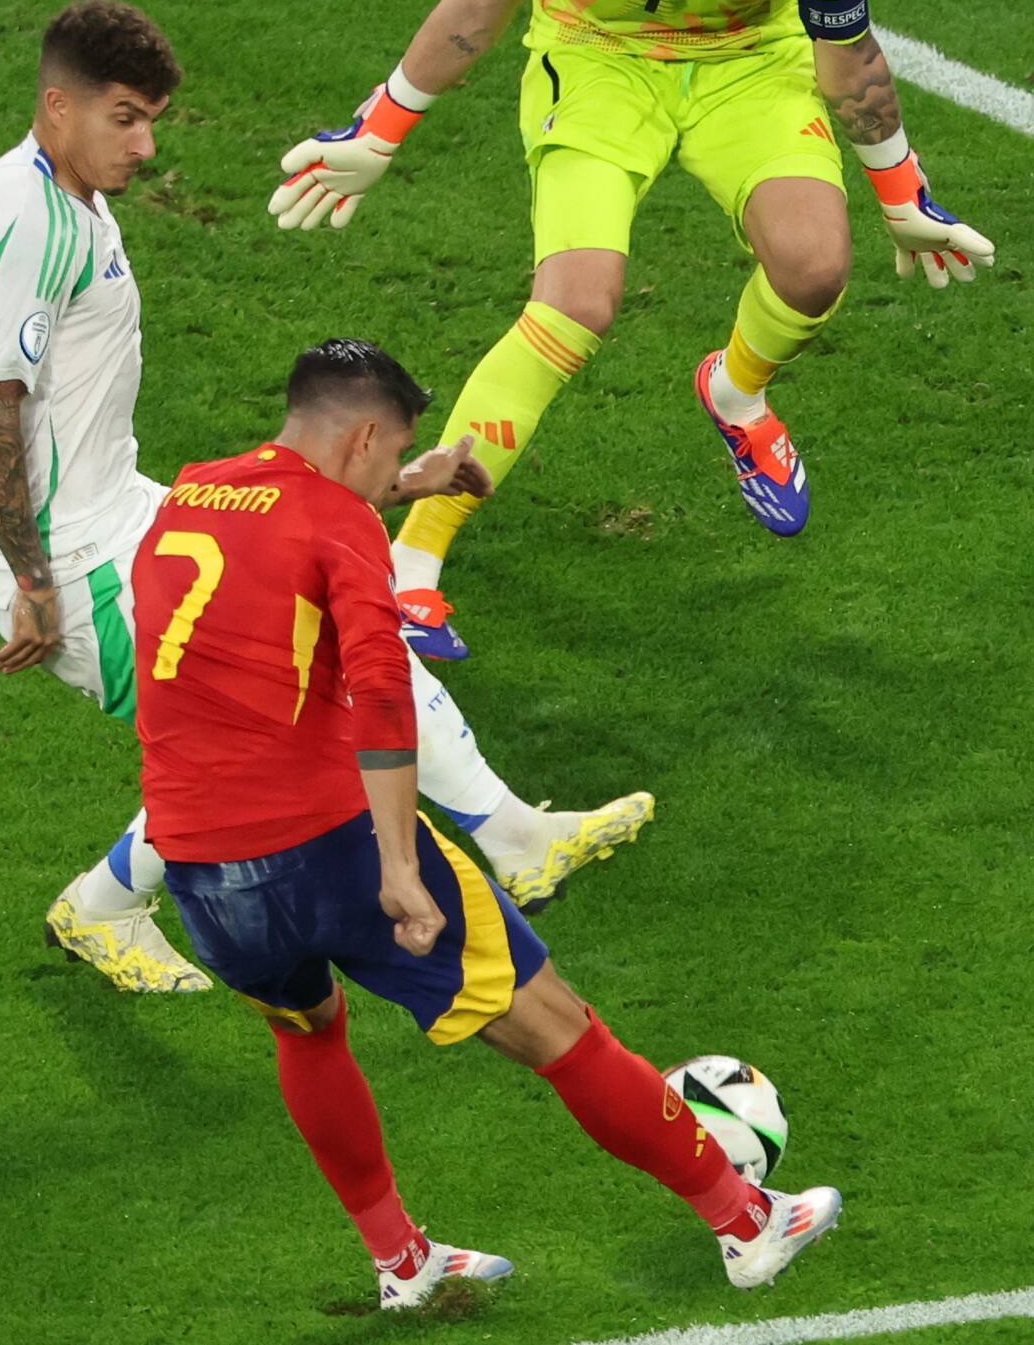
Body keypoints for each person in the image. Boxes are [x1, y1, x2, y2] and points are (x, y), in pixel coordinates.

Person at [0, 1, 651, 997]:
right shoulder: (31, 223)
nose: (147, 144)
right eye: (125, 118)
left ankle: (513, 837)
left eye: (152, 118)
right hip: (79, 568)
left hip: (125, 517)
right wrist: (27, 577)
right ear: (58, 105)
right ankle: (115, 903)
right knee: (282, 729)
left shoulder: (36, 195)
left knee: (302, 670)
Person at [269, 0, 994, 661]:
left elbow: (844, 51)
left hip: (749, 65)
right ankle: (417, 558)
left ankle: (736, 394)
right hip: (600, 61)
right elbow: (483, 1)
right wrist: (386, 124)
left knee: (816, 269)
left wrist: (900, 195)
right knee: (578, 301)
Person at [133, 338, 841, 1310]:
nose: (395, 478)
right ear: (366, 435)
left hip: (202, 871)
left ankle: (402, 1261)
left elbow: (286, 528)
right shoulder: (334, 518)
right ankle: (748, 1224)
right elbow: (382, 699)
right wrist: (394, 863)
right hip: (329, 846)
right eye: (395, 459)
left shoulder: (192, 496)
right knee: (560, 1027)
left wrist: (396, 486)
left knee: (307, 1033)